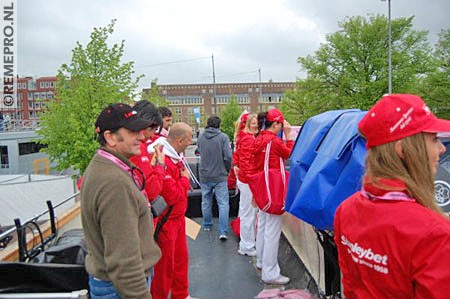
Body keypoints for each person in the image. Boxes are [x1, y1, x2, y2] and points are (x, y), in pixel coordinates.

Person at [334, 94, 450, 298]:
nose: (441, 149)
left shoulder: (347, 209)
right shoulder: (434, 233)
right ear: (403, 150)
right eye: (433, 139)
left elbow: (350, 285)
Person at [81, 103, 161, 299]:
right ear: (110, 137)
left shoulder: (106, 168)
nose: (142, 137)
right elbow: (124, 260)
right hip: (120, 289)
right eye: (133, 131)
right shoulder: (113, 182)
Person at [149, 122, 197, 299]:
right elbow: (173, 195)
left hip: (177, 219)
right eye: (189, 138)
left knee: (180, 261)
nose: (191, 142)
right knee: (164, 267)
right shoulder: (167, 161)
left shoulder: (174, 157)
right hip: (167, 222)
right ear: (180, 140)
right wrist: (185, 181)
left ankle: (181, 294)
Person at [252, 108, 293, 285]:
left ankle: (261, 260)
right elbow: (290, 154)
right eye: (281, 125)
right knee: (272, 231)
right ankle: (270, 272)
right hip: (273, 189)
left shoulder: (259, 139)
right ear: (276, 123)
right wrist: (289, 136)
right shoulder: (273, 141)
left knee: (263, 226)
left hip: (262, 188)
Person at [197, 115, 232, 240]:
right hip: (220, 175)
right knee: (223, 204)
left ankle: (207, 225)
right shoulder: (223, 138)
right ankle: (223, 231)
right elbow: (228, 157)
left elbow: (198, 150)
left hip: (204, 174)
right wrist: (227, 170)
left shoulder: (201, 136)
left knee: (206, 201)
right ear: (219, 125)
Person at [130, 100, 166, 201]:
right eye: (152, 130)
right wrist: (161, 165)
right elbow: (151, 191)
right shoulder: (137, 147)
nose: (152, 135)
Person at [234, 114, 259, 256]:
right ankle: (247, 246)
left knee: (245, 212)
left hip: (244, 180)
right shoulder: (249, 140)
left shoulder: (242, 138)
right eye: (254, 123)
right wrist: (254, 184)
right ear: (248, 124)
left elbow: (238, 158)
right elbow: (248, 163)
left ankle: (246, 244)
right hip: (249, 181)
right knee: (249, 214)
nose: (256, 126)